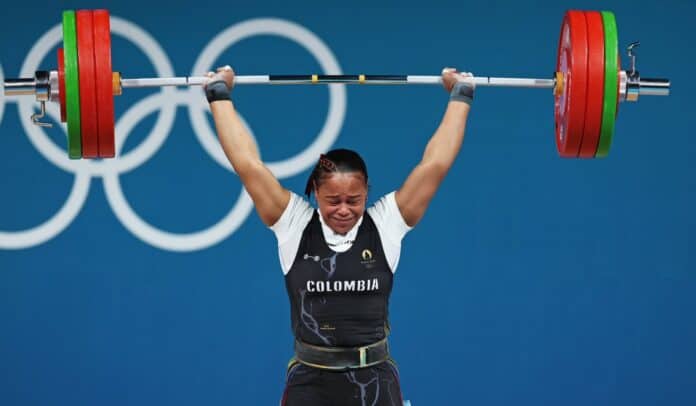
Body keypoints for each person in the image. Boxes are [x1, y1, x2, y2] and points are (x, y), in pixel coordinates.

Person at [205, 65, 474, 406]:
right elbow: (247, 164)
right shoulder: (294, 224)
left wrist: (460, 94)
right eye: (333, 201)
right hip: (310, 382)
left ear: (368, 193)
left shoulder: (386, 223)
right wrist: (218, 94)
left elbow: (435, 165)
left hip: (375, 382)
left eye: (354, 200)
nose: (344, 209)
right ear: (316, 194)